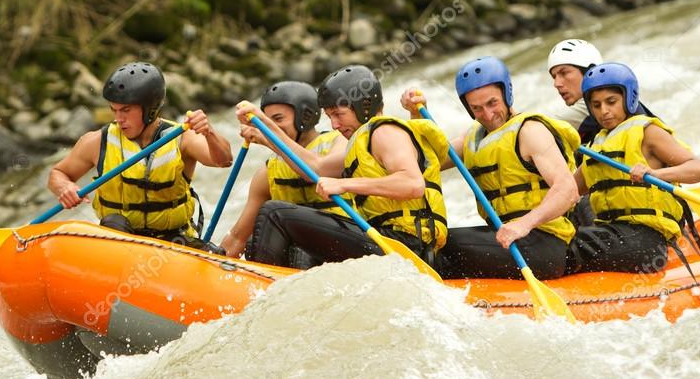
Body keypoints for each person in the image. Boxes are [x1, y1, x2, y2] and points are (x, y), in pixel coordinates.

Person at [237, 64, 450, 268]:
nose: (334, 125)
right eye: (330, 117)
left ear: (363, 106)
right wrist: (266, 129)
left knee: (275, 213)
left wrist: (345, 185)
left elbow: (412, 184)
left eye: (339, 114)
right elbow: (315, 168)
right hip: (386, 240)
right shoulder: (362, 144)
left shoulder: (384, 132)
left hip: (403, 245)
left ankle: (258, 284)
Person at [401, 56, 580, 280]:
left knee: (437, 248)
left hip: (544, 245)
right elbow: (428, 161)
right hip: (507, 241)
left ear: (507, 94)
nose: (487, 115)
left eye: (492, 103)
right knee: (430, 241)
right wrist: (417, 113)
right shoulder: (473, 137)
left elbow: (568, 190)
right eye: (476, 108)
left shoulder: (530, 131)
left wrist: (524, 225)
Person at [47, 61, 233, 249]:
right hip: (120, 240)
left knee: (214, 253)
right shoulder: (96, 142)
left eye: (126, 110)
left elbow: (223, 160)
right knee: (114, 222)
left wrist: (209, 132)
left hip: (174, 240)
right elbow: (58, 173)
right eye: (114, 110)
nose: (119, 119)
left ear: (150, 109)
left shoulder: (182, 138)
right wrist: (64, 187)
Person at [567, 62, 700, 275]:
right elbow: (567, 191)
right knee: (565, 237)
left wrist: (656, 174)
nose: (604, 111)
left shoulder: (648, 131)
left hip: (647, 240)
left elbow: (699, 170)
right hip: (611, 233)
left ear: (628, 98)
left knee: (575, 246)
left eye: (611, 102)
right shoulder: (595, 146)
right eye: (596, 105)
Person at [220, 80, 347, 258]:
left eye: (278, 119)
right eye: (267, 120)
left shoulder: (340, 141)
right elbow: (237, 237)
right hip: (295, 254)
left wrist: (267, 136)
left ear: (305, 116)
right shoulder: (268, 172)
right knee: (252, 242)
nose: (270, 127)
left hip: (339, 245)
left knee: (295, 244)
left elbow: (318, 170)